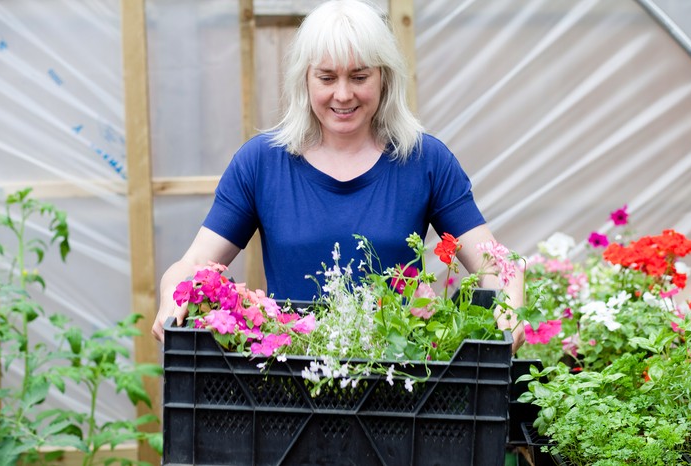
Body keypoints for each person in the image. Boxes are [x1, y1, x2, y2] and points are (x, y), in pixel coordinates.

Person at [151, 0, 525, 352]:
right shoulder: (261, 163)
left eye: (359, 76)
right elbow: (194, 265)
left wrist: (510, 294)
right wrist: (175, 289)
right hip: (288, 386)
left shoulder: (424, 160)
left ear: (384, 78)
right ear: (305, 80)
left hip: (401, 385)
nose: (343, 94)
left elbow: (496, 266)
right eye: (327, 77)